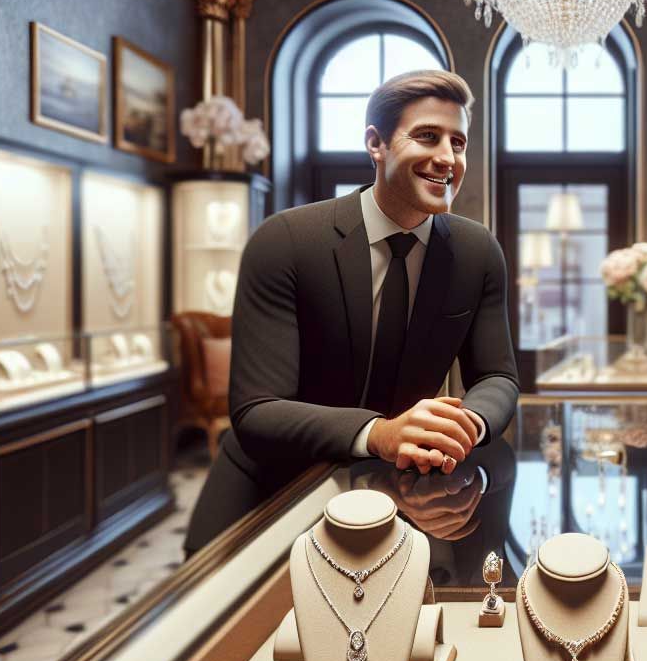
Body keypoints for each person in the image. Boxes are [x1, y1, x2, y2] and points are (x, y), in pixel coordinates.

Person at [183, 69, 519, 555]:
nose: (447, 158)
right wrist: (380, 434)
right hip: (269, 499)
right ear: (376, 143)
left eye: (459, 143)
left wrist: (467, 425)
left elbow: (500, 378)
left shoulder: (478, 251)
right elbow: (258, 410)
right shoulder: (285, 242)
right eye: (427, 136)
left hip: (404, 500)